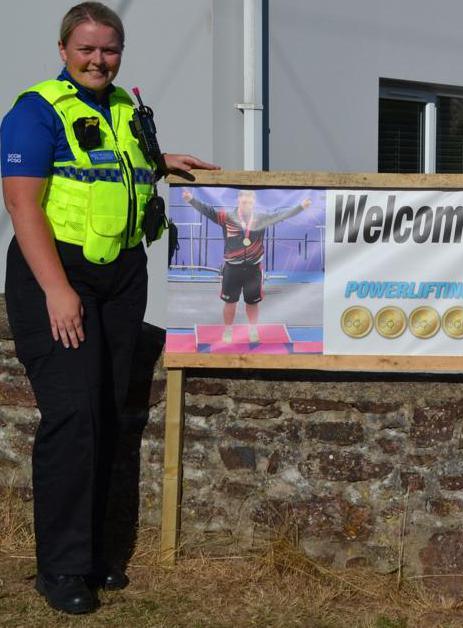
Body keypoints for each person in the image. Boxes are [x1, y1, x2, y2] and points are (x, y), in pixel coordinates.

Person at [1, 2, 218, 615]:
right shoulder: (35, 111)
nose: (100, 60)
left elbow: (119, 164)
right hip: (58, 276)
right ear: (64, 50)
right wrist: (57, 290)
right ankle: (61, 569)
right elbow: (23, 207)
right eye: (88, 49)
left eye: (110, 49)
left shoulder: (123, 105)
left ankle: (96, 555)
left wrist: (164, 160)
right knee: (71, 417)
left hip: (121, 277)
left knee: (105, 413)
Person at [181, 188, 311, 343]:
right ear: (238, 201)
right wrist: (191, 200)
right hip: (232, 268)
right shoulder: (227, 217)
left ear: (254, 202)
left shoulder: (261, 219)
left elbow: (280, 216)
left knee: (252, 303)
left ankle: (253, 330)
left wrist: (301, 207)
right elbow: (208, 211)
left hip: (253, 269)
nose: (246, 204)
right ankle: (228, 330)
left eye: (249, 202)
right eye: (243, 202)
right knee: (230, 302)